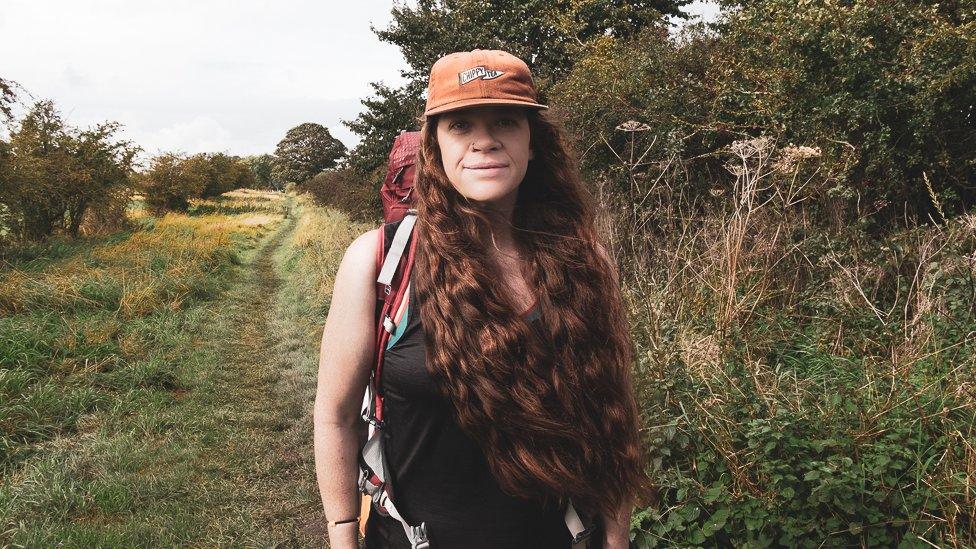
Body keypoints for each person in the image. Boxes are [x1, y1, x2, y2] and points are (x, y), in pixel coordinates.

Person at [313, 49, 649, 549]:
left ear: (532, 143)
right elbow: (336, 415)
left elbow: (611, 412)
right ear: (436, 148)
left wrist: (617, 539)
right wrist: (343, 533)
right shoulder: (381, 261)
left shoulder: (585, 261)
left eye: (506, 122)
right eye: (461, 125)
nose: (485, 141)